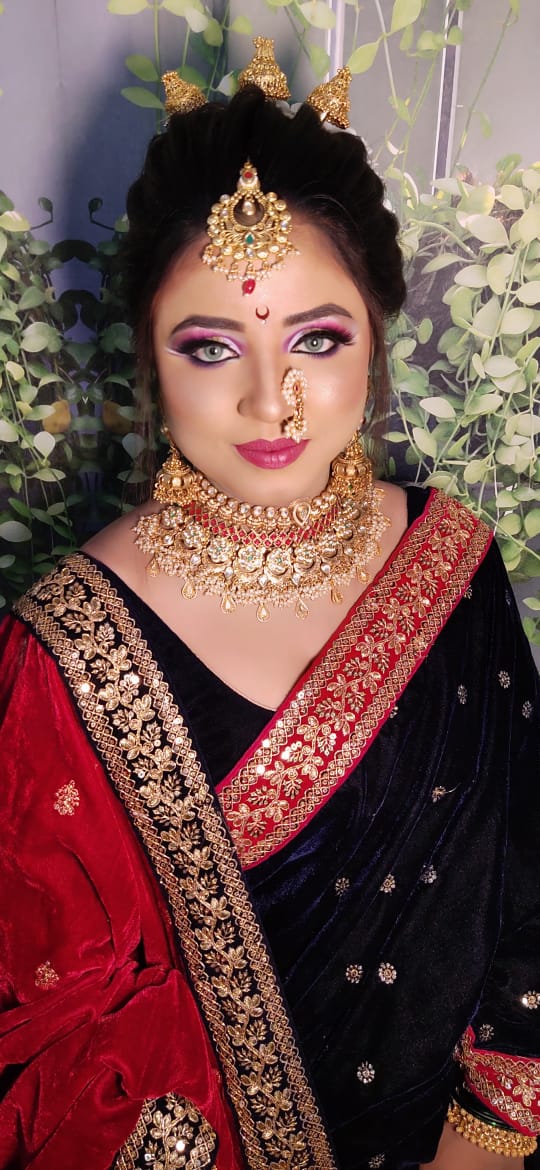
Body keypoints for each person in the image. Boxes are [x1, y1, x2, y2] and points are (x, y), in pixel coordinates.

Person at [0, 38, 538, 1170]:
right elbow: (46, 1030)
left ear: (375, 336)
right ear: (150, 361)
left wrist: (487, 1143)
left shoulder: (452, 560)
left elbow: (531, 889)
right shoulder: (63, 650)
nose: (270, 400)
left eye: (317, 339)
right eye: (210, 347)